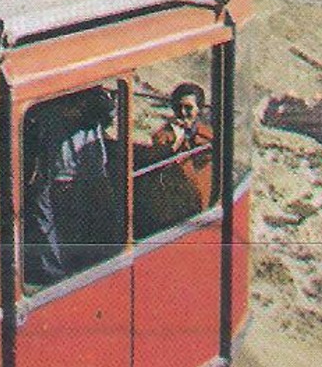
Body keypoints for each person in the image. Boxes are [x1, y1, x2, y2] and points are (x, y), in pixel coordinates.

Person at [25, 87, 122, 283]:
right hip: (56, 173)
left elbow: (109, 112)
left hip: (89, 174)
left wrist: (84, 106)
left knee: (88, 225)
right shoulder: (48, 104)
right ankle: (55, 273)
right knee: (48, 223)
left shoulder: (95, 100)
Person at [139, 82, 214, 234]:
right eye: (178, 107)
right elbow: (158, 163)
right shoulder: (164, 136)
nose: (182, 112)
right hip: (176, 204)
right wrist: (177, 141)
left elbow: (209, 157)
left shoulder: (207, 135)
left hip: (202, 198)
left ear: (199, 109)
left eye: (188, 108)